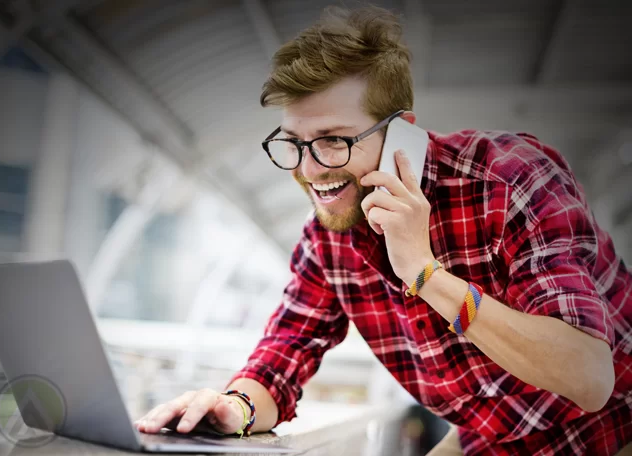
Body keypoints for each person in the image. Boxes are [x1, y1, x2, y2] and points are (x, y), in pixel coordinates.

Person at [135, 6, 632, 455]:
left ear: (401, 130)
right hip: (497, 433)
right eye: (295, 143)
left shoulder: (509, 180)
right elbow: (283, 355)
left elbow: (589, 377)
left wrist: (422, 271)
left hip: (612, 424)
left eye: (332, 141)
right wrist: (235, 407)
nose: (310, 169)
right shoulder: (328, 234)